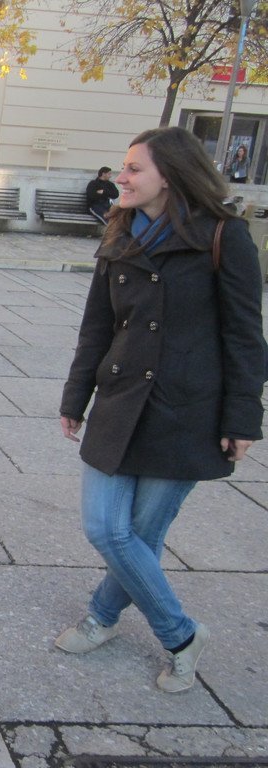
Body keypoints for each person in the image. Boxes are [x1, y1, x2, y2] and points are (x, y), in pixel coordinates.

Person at [56, 127, 266, 693]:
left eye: (134, 169)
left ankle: (102, 617)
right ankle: (182, 634)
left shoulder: (223, 235)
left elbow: (245, 335)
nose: (121, 178)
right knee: (107, 528)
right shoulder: (120, 232)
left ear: (169, 176)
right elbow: (97, 327)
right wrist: (75, 397)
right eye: (124, 167)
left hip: (186, 412)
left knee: (141, 535)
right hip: (120, 403)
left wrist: (243, 418)